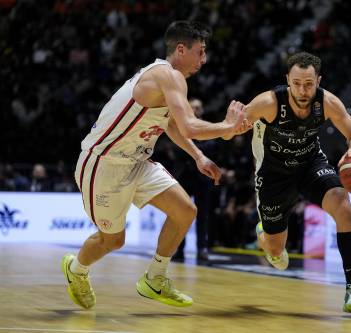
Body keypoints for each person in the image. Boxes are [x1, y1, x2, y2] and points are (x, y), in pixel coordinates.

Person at [62, 21, 247, 310]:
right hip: (103, 164)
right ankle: (77, 269)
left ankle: (155, 278)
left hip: (137, 161)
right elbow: (188, 126)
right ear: (181, 49)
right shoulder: (166, 75)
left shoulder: (169, 78)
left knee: (185, 211)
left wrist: (198, 156)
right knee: (113, 241)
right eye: (200, 52)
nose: (204, 59)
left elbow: (172, 125)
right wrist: (226, 127)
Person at [227, 52, 351, 315]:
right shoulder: (268, 103)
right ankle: (264, 232)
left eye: (309, 84)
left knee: (343, 205)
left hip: (310, 164)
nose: (302, 90)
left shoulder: (327, 102)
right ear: (287, 81)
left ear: (318, 81)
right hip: (273, 175)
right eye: (296, 84)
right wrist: (232, 124)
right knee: (276, 253)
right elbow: (229, 129)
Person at [172, 98, 217, 261]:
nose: (196, 110)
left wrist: (191, 150)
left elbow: (212, 147)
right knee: (180, 214)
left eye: (198, 107)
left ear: (202, 110)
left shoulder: (206, 127)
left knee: (203, 214)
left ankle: (202, 248)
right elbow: (176, 151)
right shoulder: (180, 126)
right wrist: (197, 152)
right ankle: (179, 248)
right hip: (183, 176)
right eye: (193, 108)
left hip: (202, 177)